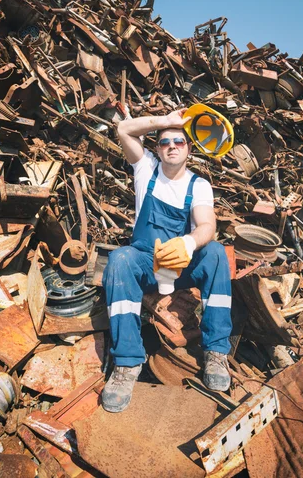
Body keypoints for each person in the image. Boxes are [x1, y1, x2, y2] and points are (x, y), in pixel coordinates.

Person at [101, 108, 233, 413]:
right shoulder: (145, 169)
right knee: (120, 258)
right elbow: (124, 129)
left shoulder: (198, 185)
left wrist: (189, 242)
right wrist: (168, 121)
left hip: (179, 265)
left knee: (214, 253)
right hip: (147, 262)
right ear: (157, 149)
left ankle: (215, 352)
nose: (172, 145)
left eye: (179, 141)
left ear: (188, 149)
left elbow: (207, 226)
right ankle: (127, 364)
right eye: (165, 142)